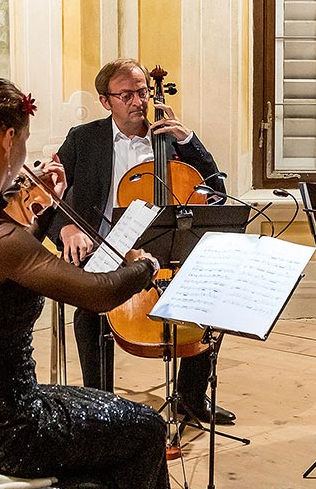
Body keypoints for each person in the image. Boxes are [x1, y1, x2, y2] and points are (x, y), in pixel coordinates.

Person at [0, 71, 174, 489]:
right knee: (147, 426)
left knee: (111, 414)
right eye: (24, 141)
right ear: (8, 139)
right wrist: (146, 264)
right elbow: (97, 293)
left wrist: (43, 211)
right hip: (3, 429)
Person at [50, 58, 234, 424]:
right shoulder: (83, 139)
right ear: (106, 101)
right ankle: (100, 401)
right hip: (106, 247)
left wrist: (189, 141)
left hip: (168, 251)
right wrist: (65, 228)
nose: (139, 102)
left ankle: (191, 396)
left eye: (143, 92)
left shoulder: (171, 140)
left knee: (212, 299)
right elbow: (49, 191)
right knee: (89, 311)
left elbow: (218, 193)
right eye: (127, 95)